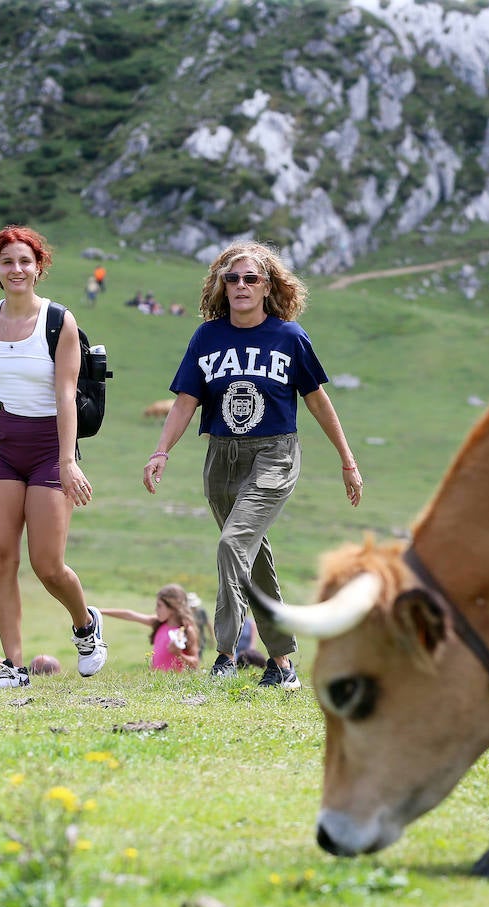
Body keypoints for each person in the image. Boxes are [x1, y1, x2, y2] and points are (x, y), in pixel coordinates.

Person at [142, 241, 363, 689]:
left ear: (267, 286)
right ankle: (282, 664)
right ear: (222, 286)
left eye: (250, 278)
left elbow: (317, 401)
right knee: (250, 554)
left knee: (231, 545)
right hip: (221, 456)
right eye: (232, 278)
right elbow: (186, 401)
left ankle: (225, 653)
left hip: (274, 454)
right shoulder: (207, 337)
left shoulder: (289, 337)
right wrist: (161, 450)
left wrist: (347, 460)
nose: (240, 286)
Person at [0, 225, 108, 689]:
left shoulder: (59, 322)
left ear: (39, 268)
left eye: (25, 261)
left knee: (47, 564)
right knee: (0, 557)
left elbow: (67, 394)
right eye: (7, 262)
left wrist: (69, 461)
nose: (17, 269)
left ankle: (86, 626)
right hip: (3, 443)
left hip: (52, 445)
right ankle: (13, 666)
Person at [100, 584, 202, 672]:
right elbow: (130, 615)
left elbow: (195, 663)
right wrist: (100, 611)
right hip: (156, 682)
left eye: (159, 606)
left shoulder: (187, 630)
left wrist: (179, 655)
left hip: (175, 686)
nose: (156, 609)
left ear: (173, 607)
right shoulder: (159, 622)